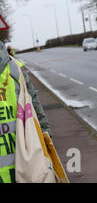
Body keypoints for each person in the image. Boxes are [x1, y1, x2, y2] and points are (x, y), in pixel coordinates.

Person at [0, 40, 51, 183]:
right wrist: (47, 145)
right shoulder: (16, 68)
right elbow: (37, 111)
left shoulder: (16, 68)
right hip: (27, 169)